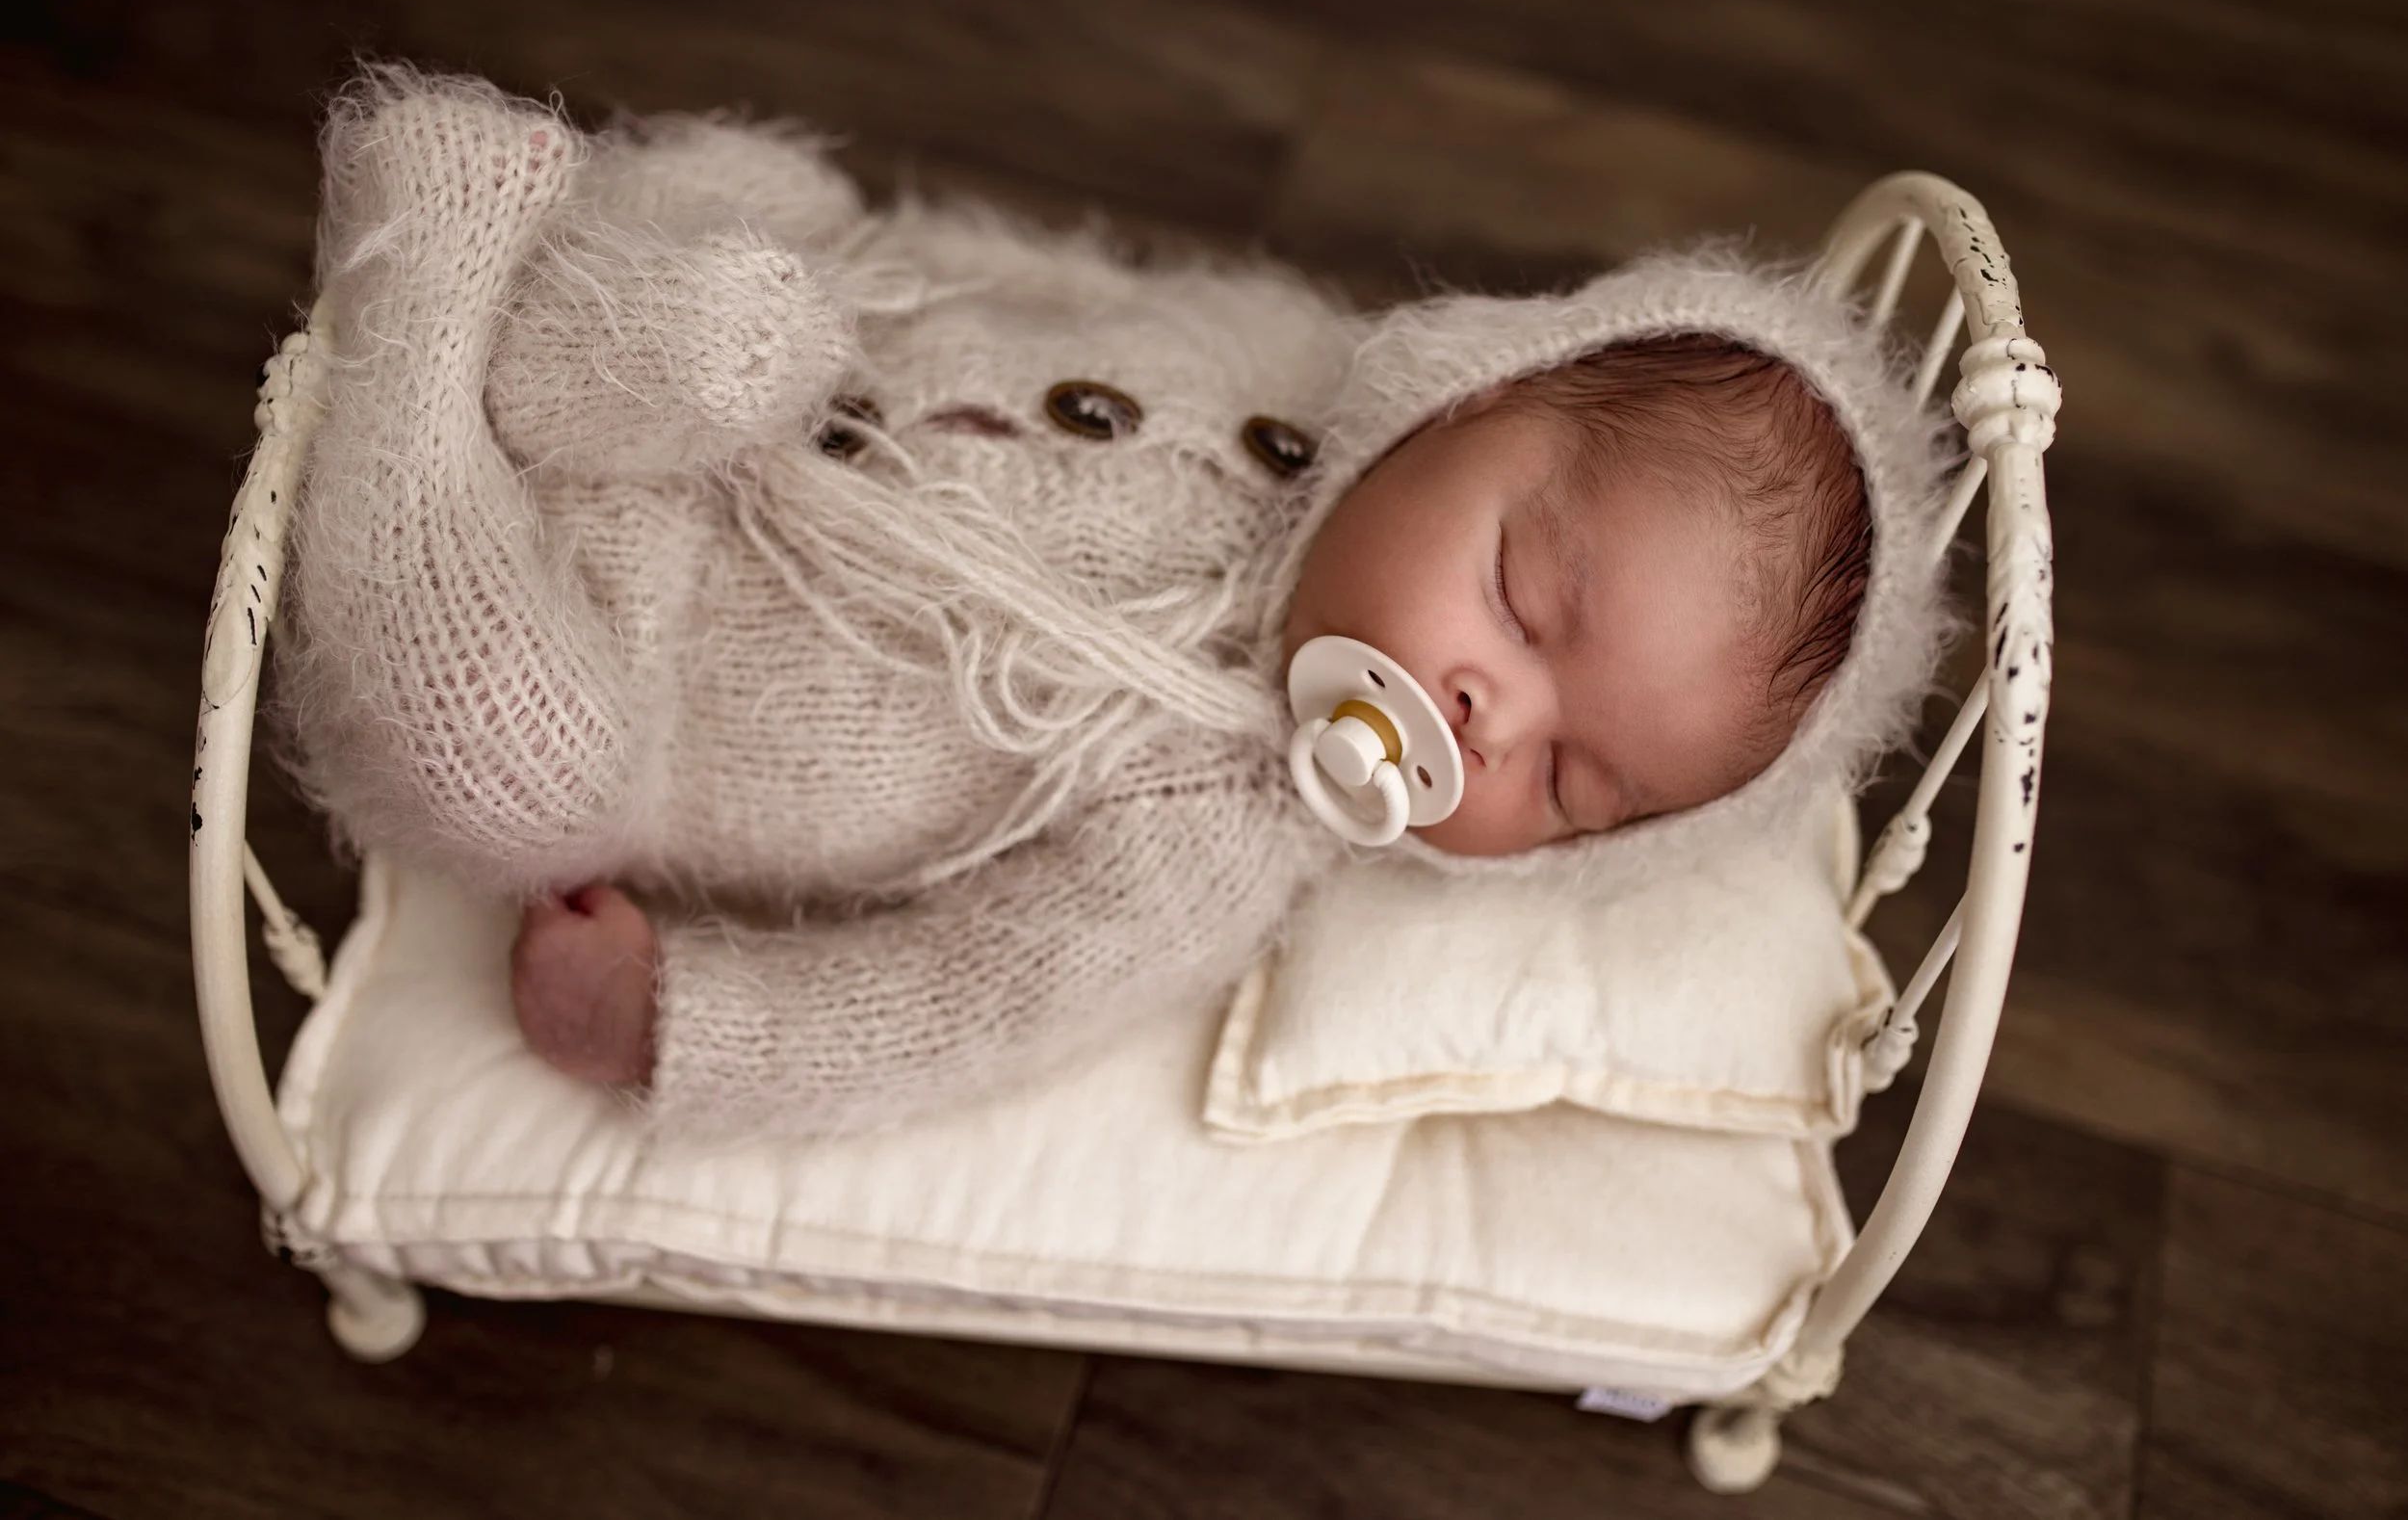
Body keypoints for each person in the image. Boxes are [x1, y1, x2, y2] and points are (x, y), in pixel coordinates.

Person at [278, 69, 1950, 1139]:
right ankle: (555, 336)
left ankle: (426, 303)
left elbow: (970, 1001)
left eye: (1569, 785)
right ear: (1458, 397)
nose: (1486, 717)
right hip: (750, 373)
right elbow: (1058, 284)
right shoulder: (1298, 362)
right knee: (758, 255)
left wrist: (684, 1022)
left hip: (618, 651)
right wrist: (879, 255)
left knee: (509, 766)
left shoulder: (1215, 826)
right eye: (1523, 596)